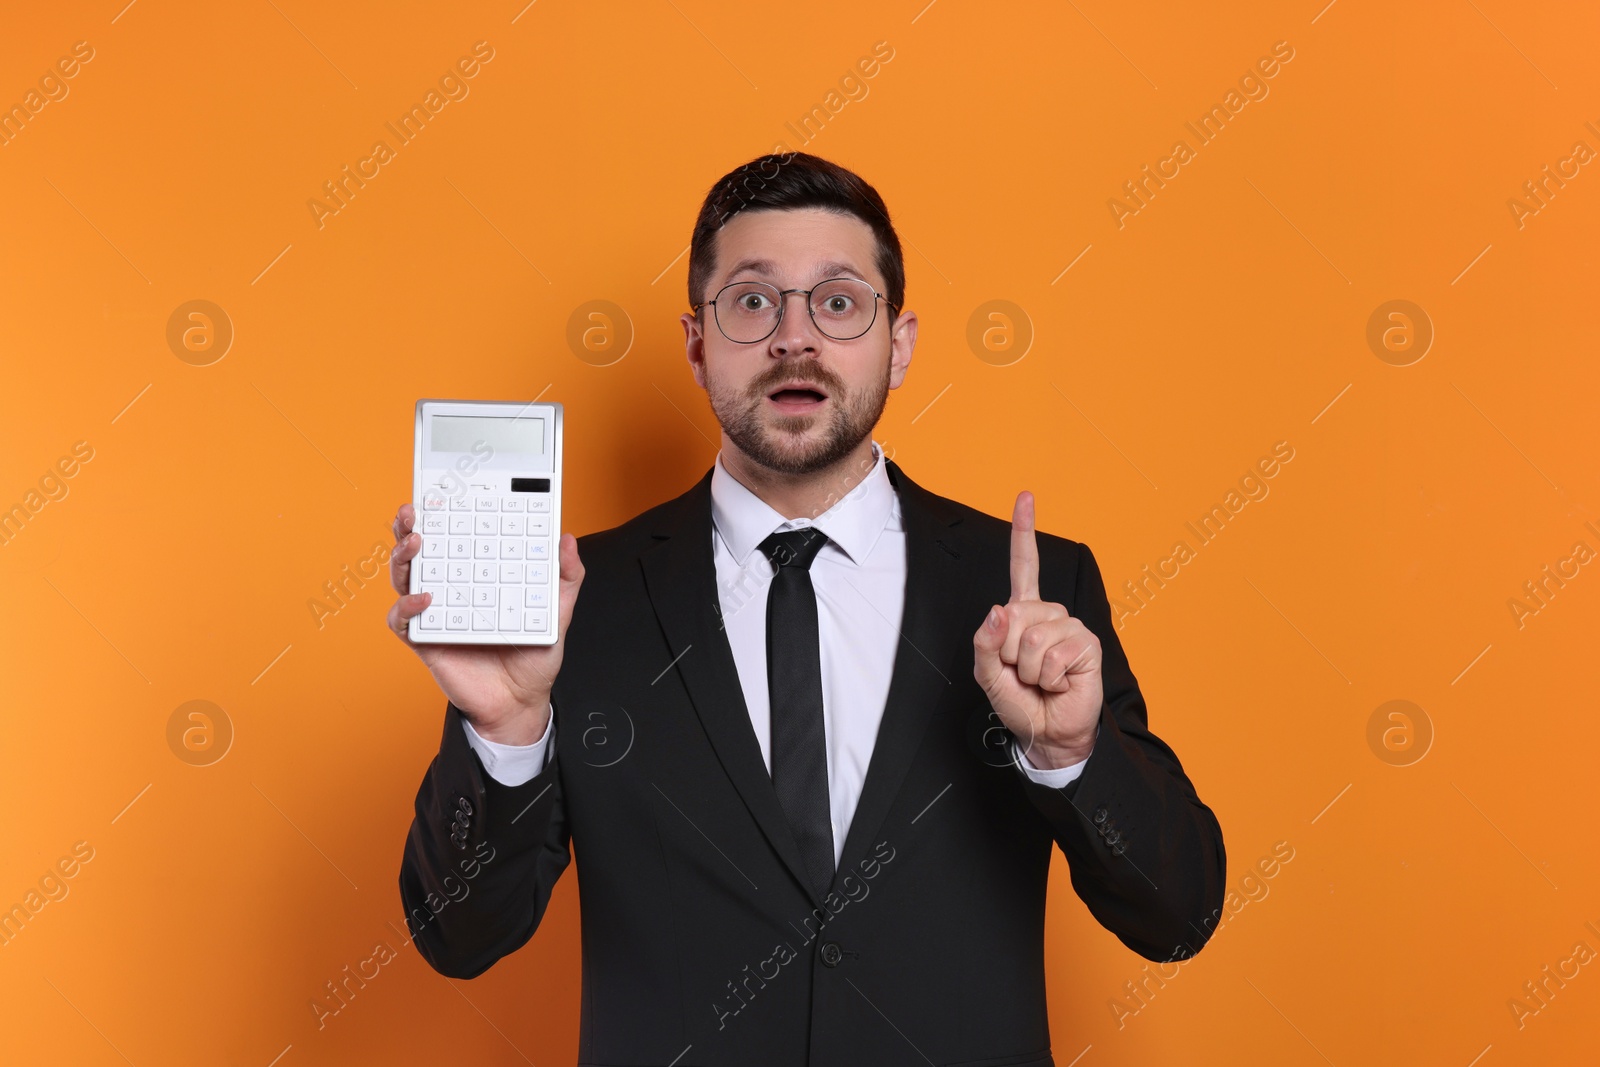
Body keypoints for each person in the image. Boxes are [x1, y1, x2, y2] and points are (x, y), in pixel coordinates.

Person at [389, 152, 1225, 1066]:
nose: (795, 338)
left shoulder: (1034, 591)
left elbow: (1178, 916)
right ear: (697, 344)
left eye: (837, 301)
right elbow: (459, 937)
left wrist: (1070, 756)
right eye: (752, 302)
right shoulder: (574, 601)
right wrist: (507, 731)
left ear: (897, 344)